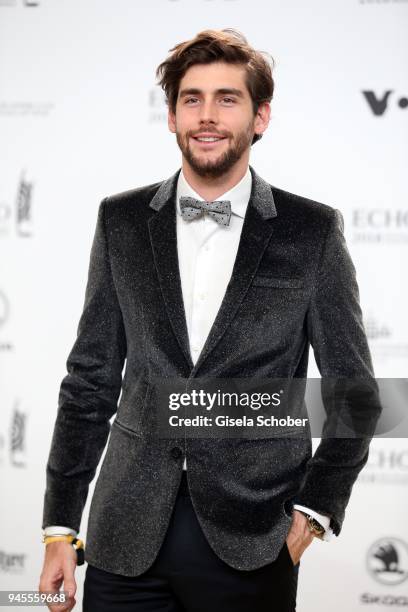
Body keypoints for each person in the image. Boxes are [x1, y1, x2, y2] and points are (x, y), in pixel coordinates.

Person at [39, 28, 380, 612]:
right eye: (191, 99)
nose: (207, 116)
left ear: (260, 117)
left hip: (252, 542)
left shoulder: (311, 231)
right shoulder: (120, 220)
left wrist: (309, 518)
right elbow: (90, 381)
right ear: (171, 116)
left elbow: (357, 397)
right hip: (125, 536)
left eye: (228, 99)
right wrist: (58, 529)